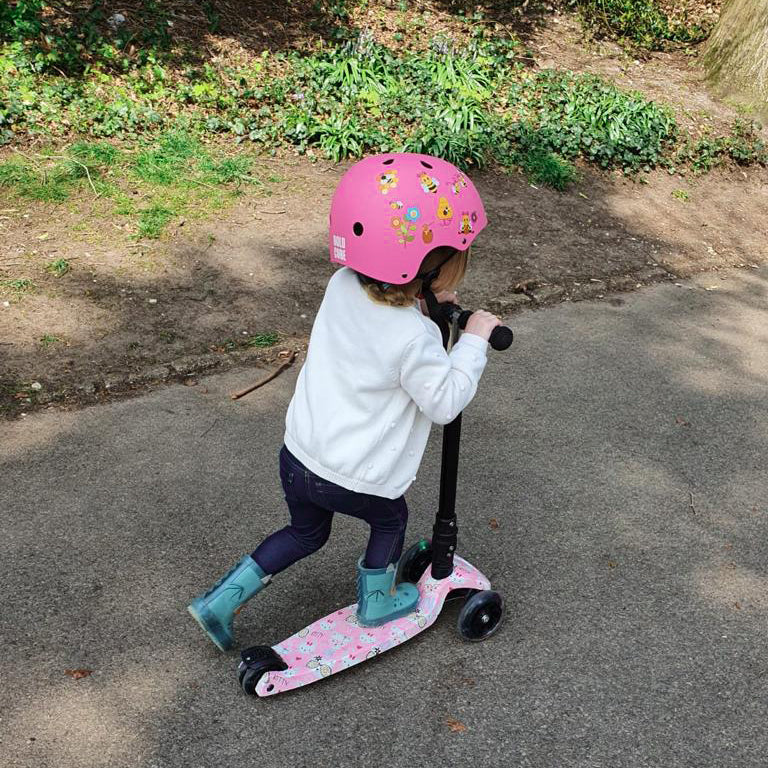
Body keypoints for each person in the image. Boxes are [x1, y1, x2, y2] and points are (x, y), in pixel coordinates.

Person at [188, 153, 500, 651]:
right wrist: (473, 341)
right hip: (352, 477)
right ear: (425, 267)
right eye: (453, 259)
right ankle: (376, 602)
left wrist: (424, 301)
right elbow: (444, 402)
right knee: (390, 518)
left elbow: (373, 328)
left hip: (299, 455)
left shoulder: (341, 285)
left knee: (305, 532)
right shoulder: (415, 339)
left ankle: (218, 602)